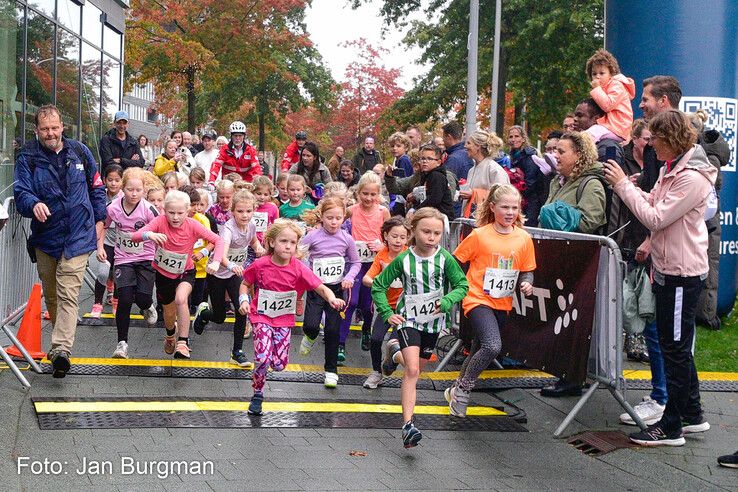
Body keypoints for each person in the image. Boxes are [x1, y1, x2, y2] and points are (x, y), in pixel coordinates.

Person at [603, 109, 715, 447]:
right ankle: (692, 415)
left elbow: (656, 217)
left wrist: (624, 185)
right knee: (674, 345)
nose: (651, 147)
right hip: (672, 267)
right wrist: (638, 189)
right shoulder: (676, 169)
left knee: (674, 347)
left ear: (672, 140)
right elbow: (657, 203)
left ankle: (672, 426)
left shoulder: (691, 176)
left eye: (656, 141)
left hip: (682, 272)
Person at [14, 104, 107, 378]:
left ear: (62, 127)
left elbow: (97, 187)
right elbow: (21, 191)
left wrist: (100, 219)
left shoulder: (80, 151)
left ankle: (62, 349)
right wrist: (33, 204)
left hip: (78, 235)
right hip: (46, 237)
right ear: (36, 130)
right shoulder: (27, 156)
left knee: (69, 293)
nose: (50, 133)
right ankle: (58, 350)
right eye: (45, 129)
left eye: (55, 128)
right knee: (52, 295)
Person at [372, 208, 468, 448]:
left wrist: (447, 300)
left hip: (433, 323)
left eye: (436, 233)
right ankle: (408, 426)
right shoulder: (404, 259)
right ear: (412, 231)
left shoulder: (445, 258)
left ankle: (393, 352)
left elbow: (462, 285)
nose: (431, 237)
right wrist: (387, 313)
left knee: (417, 366)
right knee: (412, 370)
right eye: (426, 231)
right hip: (408, 320)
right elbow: (378, 286)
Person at [239, 219, 346, 415]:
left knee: (279, 365)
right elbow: (245, 283)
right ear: (271, 242)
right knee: (262, 358)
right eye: (283, 241)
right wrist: (244, 300)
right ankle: (257, 394)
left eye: (292, 242)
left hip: (283, 320)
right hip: (261, 316)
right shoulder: (260, 264)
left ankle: (268, 365)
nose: (288, 246)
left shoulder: (298, 268)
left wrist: (332, 298)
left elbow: (320, 286)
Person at [450, 184, 535, 416]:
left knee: (479, 346)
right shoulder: (480, 235)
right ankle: (464, 390)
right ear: (492, 207)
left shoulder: (523, 238)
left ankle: (456, 387)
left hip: (502, 302)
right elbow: (456, 262)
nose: (510, 212)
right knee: (492, 346)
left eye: (514, 208)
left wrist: (527, 282)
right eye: (505, 207)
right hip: (477, 299)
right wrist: (460, 287)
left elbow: (527, 269)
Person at [131, 190, 224, 359]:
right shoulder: (159, 221)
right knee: (168, 312)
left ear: (188, 211)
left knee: (181, 299)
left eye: (180, 213)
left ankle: (183, 342)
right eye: (171, 212)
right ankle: (170, 335)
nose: (175, 217)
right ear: (164, 210)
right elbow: (135, 236)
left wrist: (215, 260)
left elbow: (218, 240)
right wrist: (149, 234)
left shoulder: (193, 224)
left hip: (186, 271)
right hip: (163, 274)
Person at [193, 190, 264, 366]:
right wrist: (232, 265)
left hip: (234, 275)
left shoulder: (252, 225)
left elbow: (253, 241)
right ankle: (203, 314)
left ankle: (237, 352)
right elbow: (222, 255)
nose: (245, 215)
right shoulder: (228, 230)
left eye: (248, 211)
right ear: (232, 211)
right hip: (217, 274)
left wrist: (259, 248)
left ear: (253, 211)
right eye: (240, 211)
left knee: (242, 308)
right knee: (219, 317)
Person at [97, 167, 159, 358]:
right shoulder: (113, 207)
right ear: (123, 188)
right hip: (123, 258)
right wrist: (100, 247)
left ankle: (147, 305)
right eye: (130, 190)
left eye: (138, 190)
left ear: (144, 190)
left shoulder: (149, 209)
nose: (134, 194)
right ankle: (122, 344)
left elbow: (161, 229)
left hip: (146, 258)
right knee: (123, 299)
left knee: (142, 298)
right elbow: (103, 225)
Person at [298, 198, 361, 387]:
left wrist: (349, 277)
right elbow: (298, 255)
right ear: (322, 217)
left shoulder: (346, 238)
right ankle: (310, 335)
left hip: (336, 289)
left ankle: (331, 371)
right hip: (316, 288)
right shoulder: (312, 236)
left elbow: (355, 262)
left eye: (338, 218)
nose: (334, 222)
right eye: (329, 218)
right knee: (310, 325)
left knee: (333, 330)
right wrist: (307, 272)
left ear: (344, 219)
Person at [339, 172, 390, 362]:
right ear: (358, 193)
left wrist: (382, 245)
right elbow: (337, 226)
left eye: (373, 194)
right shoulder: (351, 210)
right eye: (365, 194)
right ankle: (340, 343)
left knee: (368, 305)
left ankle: (366, 329)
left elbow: (392, 234)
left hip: (374, 263)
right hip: (355, 263)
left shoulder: (383, 212)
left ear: (378, 195)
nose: (368, 198)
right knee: (351, 302)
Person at [362, 217, 409, 388]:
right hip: (385, 307)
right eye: (394, 236)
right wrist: (380, 282)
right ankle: (376, 372)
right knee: (375, 339)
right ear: (385, 236)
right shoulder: (381, 256)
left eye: (402, 237)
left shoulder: (410, 255)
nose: (398, 241)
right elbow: (367, 278)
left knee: (396, 342)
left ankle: (391, 363)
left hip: (405, 308)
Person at [90, 164, 123, 318]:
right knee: (103, 272)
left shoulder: (126, 197)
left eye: (117, 180)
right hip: (106, 239)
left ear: (122, 181)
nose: (113, 183)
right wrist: (99, 246)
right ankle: (97, 303)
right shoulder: (100, 196)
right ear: (104, 180)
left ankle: (116, 300)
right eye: (110, 180)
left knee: (118, 273)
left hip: (122, 242)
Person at [585, 49, 636, 143]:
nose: (597, 77)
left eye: (602, 73)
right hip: (610, 126)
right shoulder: (601, 90)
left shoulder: (617, 85)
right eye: (594, 74)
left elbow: (607, 105)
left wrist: (597, 89)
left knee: (590, 134)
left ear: (611, 73)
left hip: (618, 126)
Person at [460, 130, 510, 216]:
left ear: (478, 146)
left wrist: (474, 194)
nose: (465, 146)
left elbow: (503, 196)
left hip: (488, 220)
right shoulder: (471, 170)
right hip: (471, 220)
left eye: (468, 143)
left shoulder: (494, 169)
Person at [508, 125, 545, 227]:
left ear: (523, 139)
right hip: (519, 199)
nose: (513, 139)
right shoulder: (513, 156)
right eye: (511, 137)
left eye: (517, 136)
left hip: (530, 202)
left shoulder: (529, 156)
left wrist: (516, 195)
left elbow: (531, 183)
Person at [413, 143, 454, 221]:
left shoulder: (437, 176)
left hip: (441, 219)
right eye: (423, 158)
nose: (425, 161)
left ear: (438, 162)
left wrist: (416, 211)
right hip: (430, 216)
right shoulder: (426, 175)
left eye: (429, 159)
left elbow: (434, 199)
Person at [251, 175, 279, 245]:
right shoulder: (248, 206)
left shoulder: (273, 208)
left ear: (270, 195)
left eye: (266, 194)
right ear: (252, 192)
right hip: (248, 242)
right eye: (259, 193)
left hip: (264, 243)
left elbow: (275, 226)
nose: (262, 197)